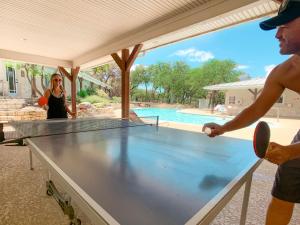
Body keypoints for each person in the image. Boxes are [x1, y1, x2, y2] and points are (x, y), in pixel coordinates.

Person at [202, 1, 300, 224]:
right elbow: (256, 108)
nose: (277, 34)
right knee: (282, 194)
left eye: (284, 25)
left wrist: (292, 151)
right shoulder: (283, 73)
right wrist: (225, 127)